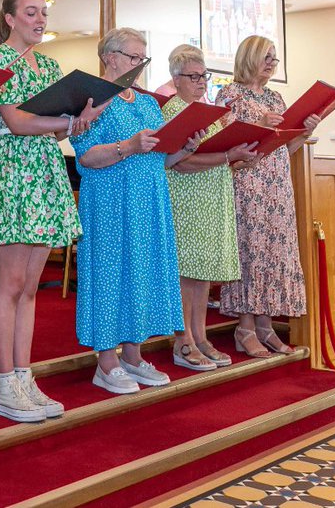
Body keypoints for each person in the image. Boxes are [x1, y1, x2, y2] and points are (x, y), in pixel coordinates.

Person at [0, 0, 94, 422]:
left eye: (43, 12)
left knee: (30, 286)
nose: (40, 19)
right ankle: (4, 383)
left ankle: (25, 376)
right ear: (10, 18)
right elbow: (16, 120)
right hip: (12, 172)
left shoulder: (48, 64)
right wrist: (63, 121)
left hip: (45, 168)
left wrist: (77, 121)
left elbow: (57, 132)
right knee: (9, 283)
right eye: (31, 12)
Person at [69, 28, 205, 395]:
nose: (139, 64)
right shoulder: (91, 99)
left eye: (143, 58)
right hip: (110, 202)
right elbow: (85, 157)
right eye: (133, 57)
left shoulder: (146, 104)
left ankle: (133, 354)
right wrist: (128, 146)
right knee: (110, 273)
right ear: (110, 57)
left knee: (141, 273)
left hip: (148, 199)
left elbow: (163, 158)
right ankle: (106, 361)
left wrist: (186, 148)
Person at [215, 35, 319, 357]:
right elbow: (223, 141)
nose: (273, 63)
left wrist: (304, 133)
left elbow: (285, 149)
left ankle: (265, 326)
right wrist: (258, 125)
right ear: (249, 58)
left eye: (275, 57)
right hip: (247, 183)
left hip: (277, 185)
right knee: (252, 252)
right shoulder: (230, 94)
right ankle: (244, 329)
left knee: (275, 253)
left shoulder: (276, 98)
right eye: (267, 57)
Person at [162, 45, 258, 371]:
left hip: (213, 197)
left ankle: (201, 336)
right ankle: (183, 339)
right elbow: (180, 163)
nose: (201, 82)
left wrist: (242, 155)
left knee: (203, 274)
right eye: (193, 76)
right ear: (176, 79)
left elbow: (223, 157)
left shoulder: (209, 113)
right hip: (187, 198)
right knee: (187, 273)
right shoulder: (172, 112)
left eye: (204, 76)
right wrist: (229, 156)